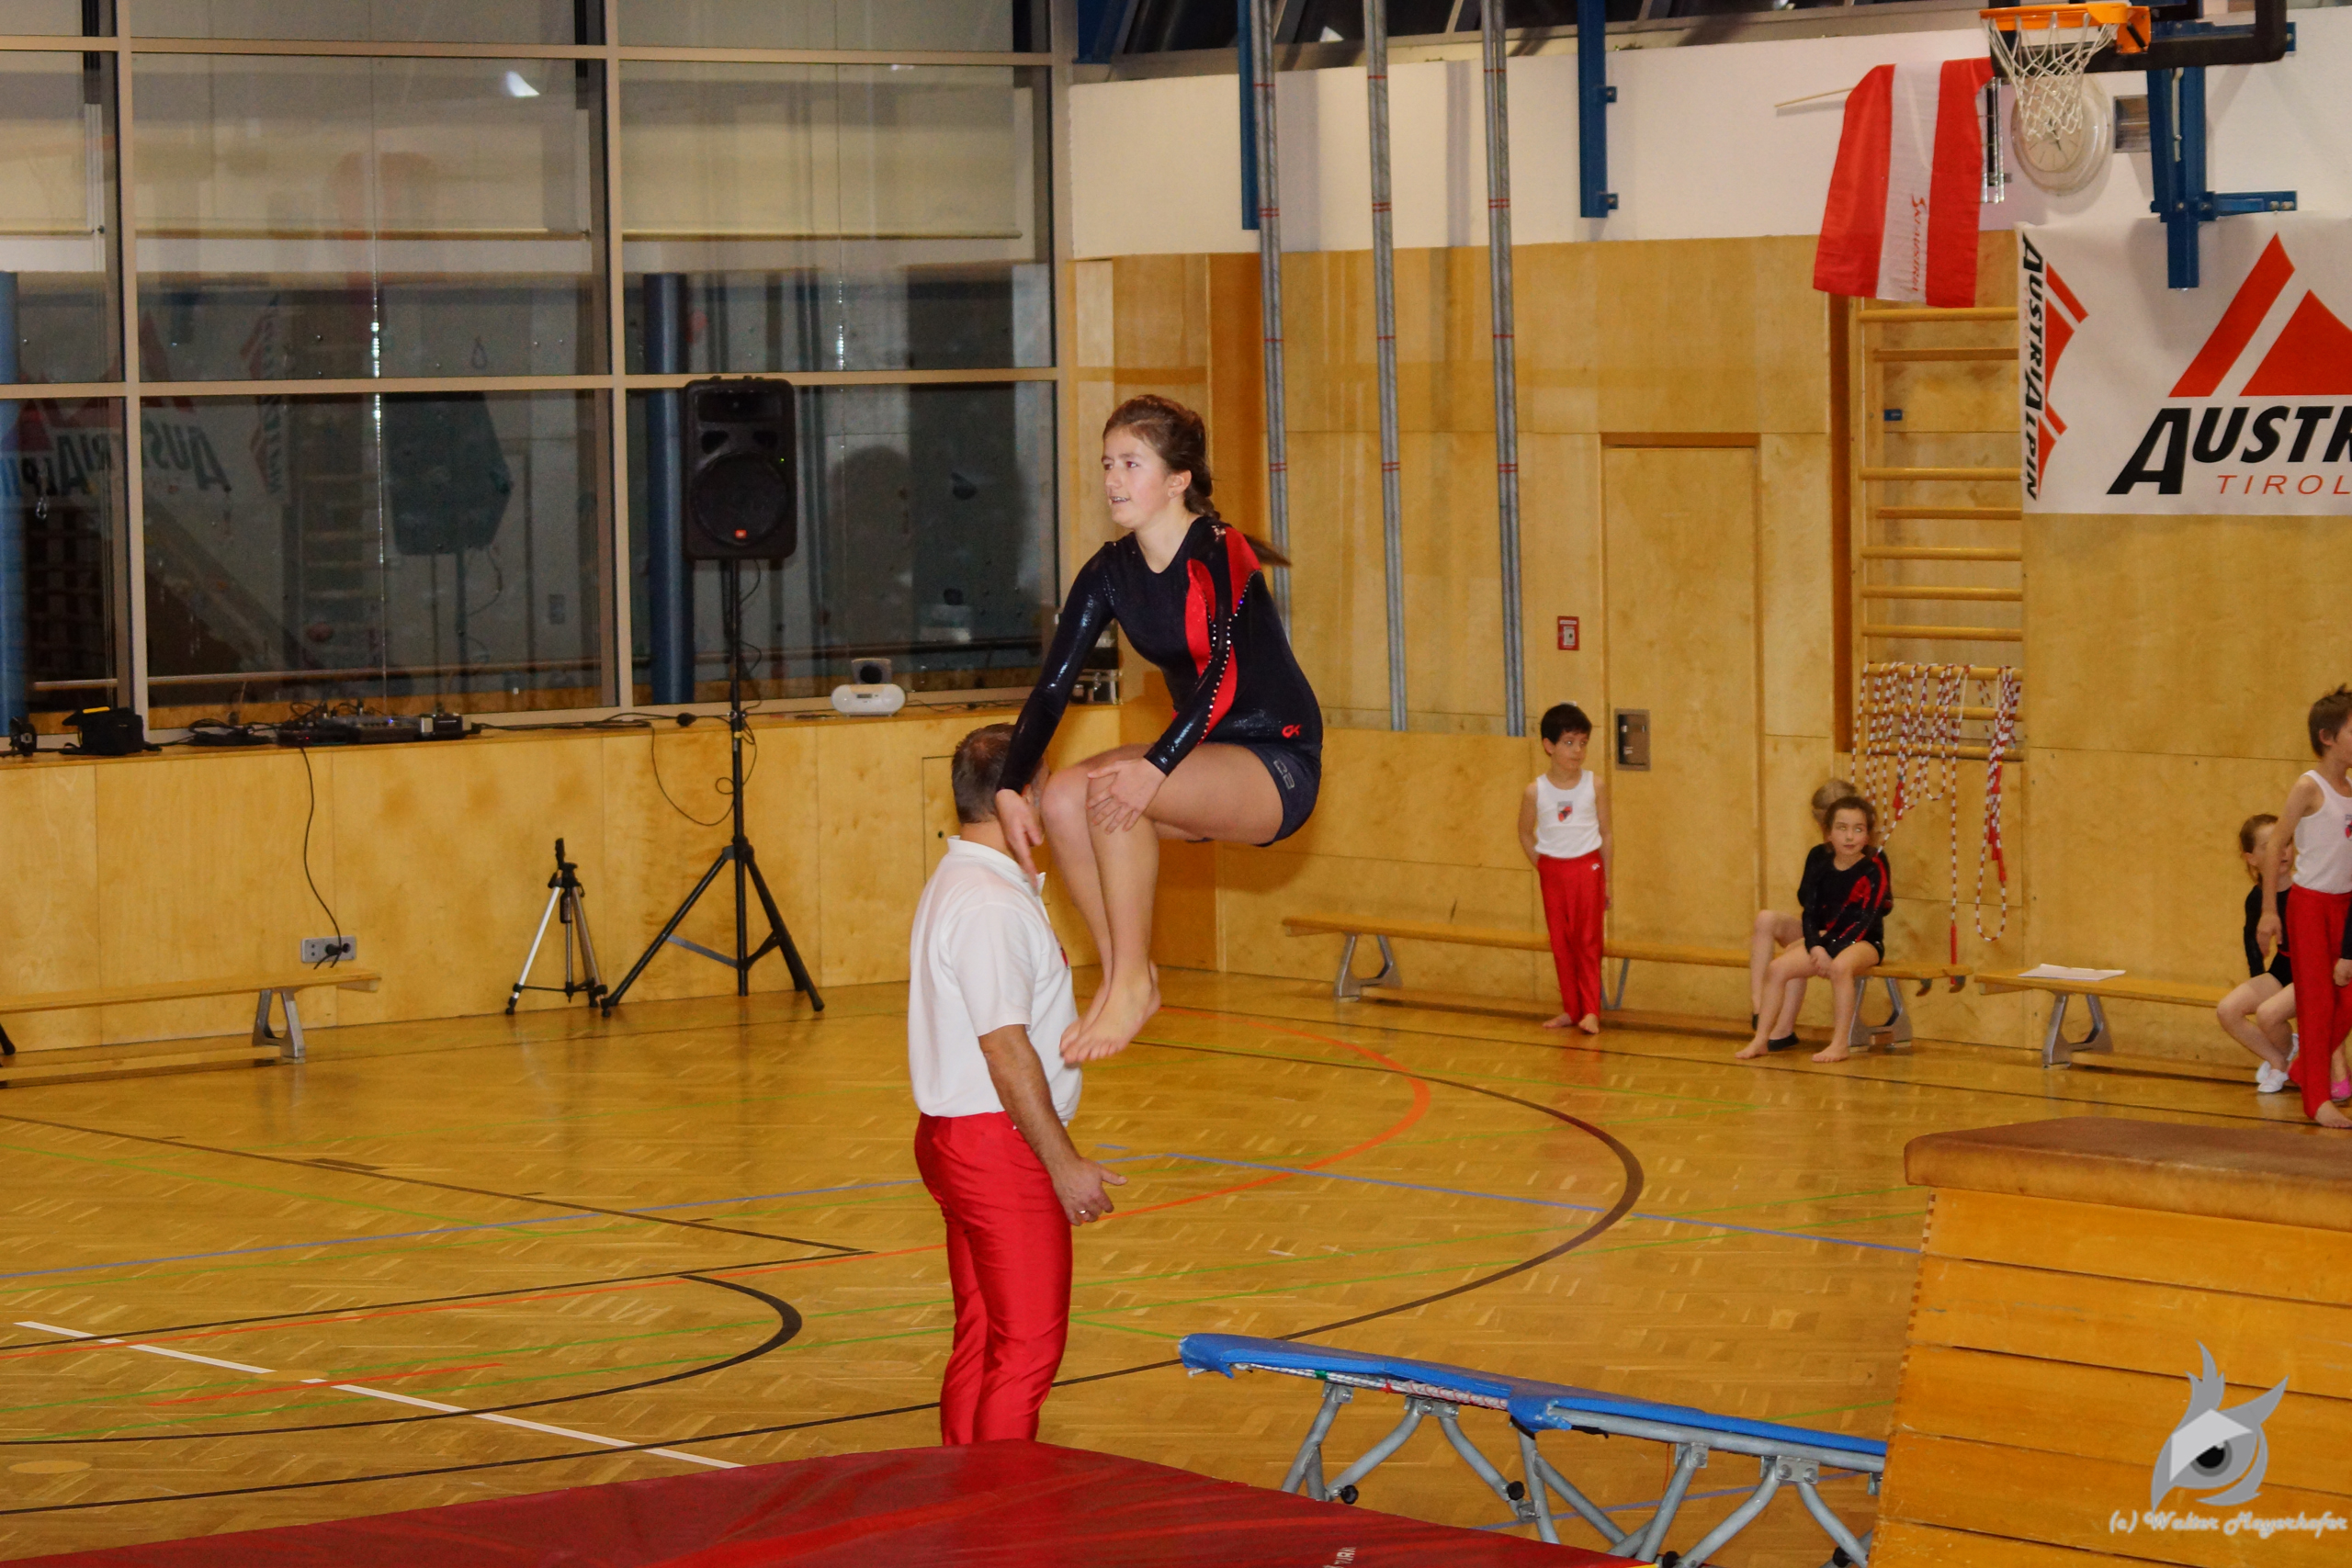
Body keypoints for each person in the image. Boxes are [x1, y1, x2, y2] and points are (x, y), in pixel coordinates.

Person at [994, 394, 1322, 1065]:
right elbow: (1054, 688)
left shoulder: (1221, 550)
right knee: (1064, 797)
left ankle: (1132, 982)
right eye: (1107, 463)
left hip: (1275, 755)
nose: (1113, 479)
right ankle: (1127, 975)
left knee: (1113, 788)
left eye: (1131, 463)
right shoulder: (1109, 572)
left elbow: (1225, 674)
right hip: (1201, 753)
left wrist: (1156, 765)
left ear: (1177, 480)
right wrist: (1009, 782)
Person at [909, 724, 1127, 1444]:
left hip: (964, 1138)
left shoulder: (971, 881)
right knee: (1026, 1349)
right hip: (998, 1148)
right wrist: (1063, 1163)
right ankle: (1002, 1503)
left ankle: (966, 1490)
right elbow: (1004, 1048)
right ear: (1022, 797)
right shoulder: (989, 904)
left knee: (984, 1334)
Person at [2255, 687, 2352, 1130]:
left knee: (2345, 1001)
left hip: (2345, 907)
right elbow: (2277, 844)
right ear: (2327, 737)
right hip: (2310, 906)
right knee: (2317, 1005)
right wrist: (2269, 911)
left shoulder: (2351, 790)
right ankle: (2316, 1100)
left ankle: (2302, 1070)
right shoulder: (2308, 787)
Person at [1738, 795, 1891, 1065]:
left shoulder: (1872, 870)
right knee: (1777, 969)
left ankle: (1839, 1044)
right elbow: (1809, 913)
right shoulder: (1821, 867)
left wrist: (1829, 949)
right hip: (1826, 939)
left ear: (1867, 836)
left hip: (1865, 942)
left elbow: (1865, 920)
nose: (1850, 836)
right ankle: (1761, 1039)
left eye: (1858, 829)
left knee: (1840, 967)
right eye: (1842, 828)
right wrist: (1815, 947)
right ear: (1828, 833)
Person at [1518, 703, 1611, 1032]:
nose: (1577, 751)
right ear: (1549, 745)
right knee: (1561, 944)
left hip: (1588, 869)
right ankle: (1571, 1009)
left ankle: (1591, 1011)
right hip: (1553, 872)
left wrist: (1607, 880)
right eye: (1569, 743)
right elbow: (1524, 832)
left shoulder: (1594, 785)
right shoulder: (1535, 791)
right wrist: (1543, 866)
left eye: (1583, 743)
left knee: (1588, 941)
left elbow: (1606, 833)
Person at [1748, 779, 1861, 1034]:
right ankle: (1758, 1006)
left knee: (1795, 950)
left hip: (1846, 937)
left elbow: (1867, 911)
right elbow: (1806, 900)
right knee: (1766, 919)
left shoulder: (1865, 858)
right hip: (1816, 929)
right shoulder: (1818, 854)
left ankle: (1784, 1028)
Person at [2217, 812, 2297, 1093]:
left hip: (2311, 972)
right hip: (2282, 968)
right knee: (2227, 1010)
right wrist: (2258, 979)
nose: (2281, 851)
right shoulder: (2257, 897)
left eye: (2286, 842)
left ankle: (2286, 1052)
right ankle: (2278, 1060)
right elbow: (2251, 940)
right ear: (2251, 858)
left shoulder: (2307, 889)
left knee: (2267, 1014)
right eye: (2270, 846)